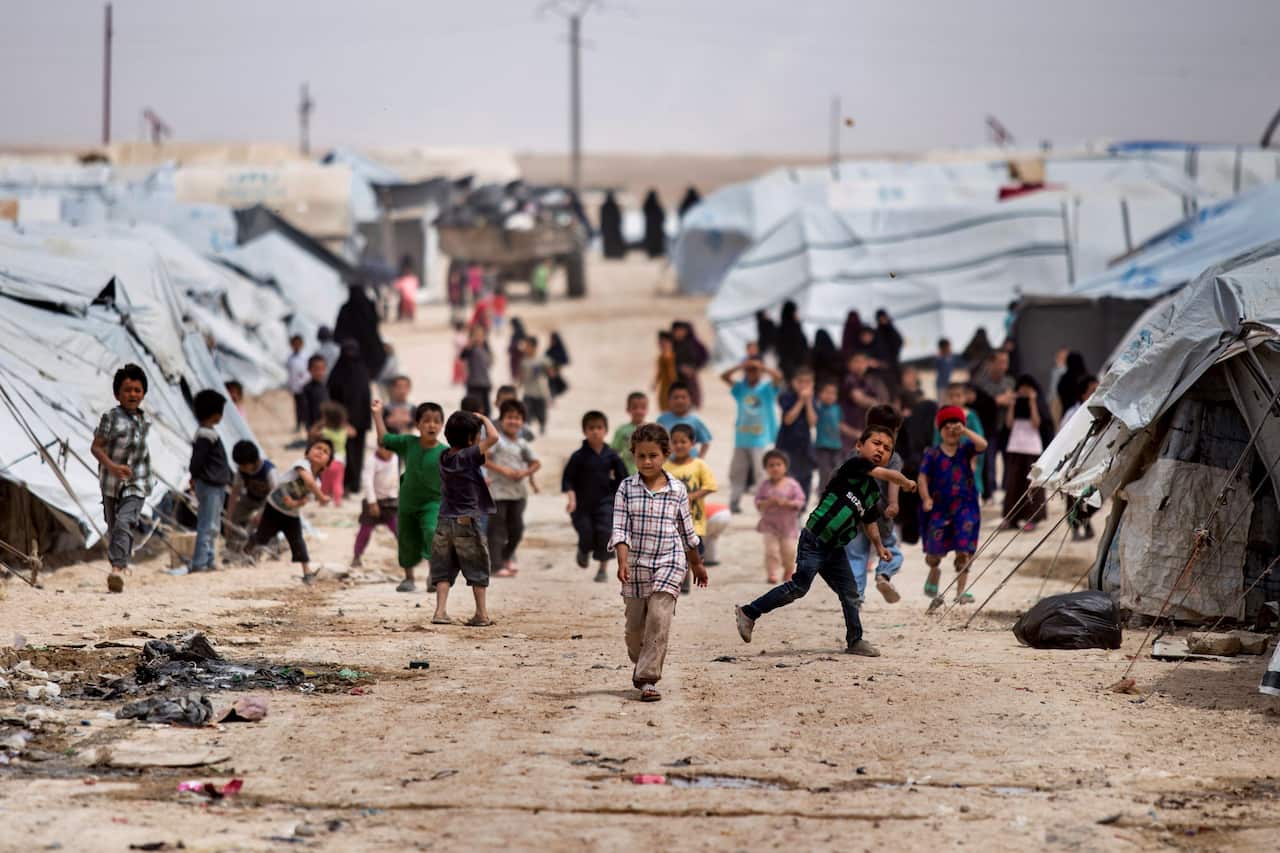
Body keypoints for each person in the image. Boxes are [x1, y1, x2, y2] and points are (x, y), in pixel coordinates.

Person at [734, 425, 916, 657]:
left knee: (850, 593)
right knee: (800, 586)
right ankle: (749, 613)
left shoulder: (871, 492)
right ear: (860, 446)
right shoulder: (854, 465)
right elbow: (887, 475)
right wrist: (905, 482)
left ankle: (855, 641)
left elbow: (869, 521)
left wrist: (879, 547)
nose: (881, 449)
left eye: (887, 448)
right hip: (815, 539)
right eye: (876, 443)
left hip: (835, 549)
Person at [609, 423, 706, 702]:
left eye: (653, 455)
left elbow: (687, 531)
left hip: (670, 560)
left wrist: (696, 564)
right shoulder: (626, 488)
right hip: (636, 565)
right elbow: (620, 528)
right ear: (633, 456)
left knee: (659, 618)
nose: (647, 461)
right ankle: (641, 661)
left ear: (665, 454)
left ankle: (648, 678)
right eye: (641, 456)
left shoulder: (677, 490)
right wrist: (622, 561)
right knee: (634, 630)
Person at [430, 410, 500, 626]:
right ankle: (481, 613)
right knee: (477, 565)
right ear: (470, 439)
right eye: (477, 435)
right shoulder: (467, 456)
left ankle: (440, 612)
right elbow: (494, 438)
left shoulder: (444, 456)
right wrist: (484, 418)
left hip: (444, 520)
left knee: (443, 567)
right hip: (467, 521)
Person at [91, 364, 154, 593]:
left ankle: (117, 569)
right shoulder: (110, 418)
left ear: (143, 394)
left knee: (124, 521)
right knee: (113, 525)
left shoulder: (144, 420)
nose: (133, 395)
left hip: (138, 481)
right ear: (117, 394)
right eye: (128, 390)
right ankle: (119, 561)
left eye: (137, 390)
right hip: (111, 482)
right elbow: (96, 448)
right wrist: (113, 467)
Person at [374, 400, 445, 593]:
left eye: (436, 421)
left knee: (431, 533)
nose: (431, 425)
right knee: (406, 539)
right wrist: (377, 415)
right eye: (426, 421)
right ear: (417, 424)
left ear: (441, 425)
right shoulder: (408, 443)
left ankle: (433, 576)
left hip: (433, 503)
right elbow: (384, 440)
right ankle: (409, 578)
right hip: (407, 503)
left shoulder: (444, 453)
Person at [919, 406, 989, 603]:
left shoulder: (966, 450)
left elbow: (983, 445)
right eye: (946, 427)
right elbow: (923, 477)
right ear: (939, 430)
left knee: (964, 549)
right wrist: (926, 498)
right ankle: (934, 571)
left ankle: (960, 592)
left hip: (965, 506)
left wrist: (964, 430)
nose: (951, 431)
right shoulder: (932, 454)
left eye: (955, 427)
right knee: (934, 554)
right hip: (939, 509)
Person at [249, 438, 333, 584]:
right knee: (263, 536)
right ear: (307, 453)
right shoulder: (301, 464)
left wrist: (295, 503)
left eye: (325, 452)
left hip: (291, 514)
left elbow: (306, 499)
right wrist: (322, 497)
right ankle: (245, 550)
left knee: (298, 541)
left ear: (326, 465)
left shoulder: (318, 483)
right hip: (274, 506)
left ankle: (307, 572)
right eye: (318, 447)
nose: (320, 451)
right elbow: (308, 481)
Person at [845, 405, 906, 604]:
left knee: (856, 557)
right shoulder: (893, 457)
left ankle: (856, 598)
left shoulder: (856, 452)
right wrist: (894, 504)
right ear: (893, 431)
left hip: (854, 516)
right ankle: (884, 575)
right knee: (892, 551)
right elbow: (894, 482)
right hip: (880, 517)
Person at [563, 411, 630, 582]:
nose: (595, 431)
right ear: (585, 431)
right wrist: (572, 499)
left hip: (605, 503)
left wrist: (619, 498)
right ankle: (583, 549)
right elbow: (568, 480)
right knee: (586, 532)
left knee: (606, 533)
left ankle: (602, 569)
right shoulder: (578, 456)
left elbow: (624, 479)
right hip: (582, 504)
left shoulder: (612, 456)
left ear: (605, 430)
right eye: (591, 428)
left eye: (599, 428)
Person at [485, 400, 541, 578]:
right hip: (497, 493)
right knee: (496, 529)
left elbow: (536, 463)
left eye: (517, 418)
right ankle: (496, 565)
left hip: (518, 494)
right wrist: (503, 471)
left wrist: (525, 472)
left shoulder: (523, 444)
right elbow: (484, 459)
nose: (513, 421)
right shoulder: (497, 441)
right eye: (509, 417)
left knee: (517, 529)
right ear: (501, 420)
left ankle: (505, 556)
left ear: (522, 421)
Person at [663, 423, 717, 595]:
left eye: (683, 442)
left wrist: (691, 496)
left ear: (692, 443)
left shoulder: (699, 465)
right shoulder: (666, 467)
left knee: (695, 550)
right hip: (671, 521)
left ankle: (691, 570)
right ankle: (682, 579)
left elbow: (710, 486)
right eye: (675, 442)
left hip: (696, 521)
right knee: (677, 551)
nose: (679, 445)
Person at [188, 390, 232, 575]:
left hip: (215, 485)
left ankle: (209, 560)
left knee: (212, 525)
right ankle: (200, 563)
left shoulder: (208, 433)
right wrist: (195, 477)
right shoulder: (206, 434)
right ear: (215, 413)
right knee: (207, 525)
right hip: (210, 485)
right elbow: (197, 461)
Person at [1003, 375, 1049, 530]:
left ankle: (1032, 518)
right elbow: (1008, 424)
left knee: (1032, 484)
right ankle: (1011, 518)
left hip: (1032, 448)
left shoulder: (1037, 403)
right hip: (1015, 446)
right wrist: (1012, 404)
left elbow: (1037, 422)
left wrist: (1032, 401)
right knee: (1013, 483)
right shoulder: (1016, 404)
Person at [326, 341, 373, 496]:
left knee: (357, 454)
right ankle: (344, 484)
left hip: (360, 422)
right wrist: (342, 421)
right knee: (343, 453)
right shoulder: (337, 374)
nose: (350, 355)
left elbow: (365, 397)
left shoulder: (362, 371)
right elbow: (332, 399)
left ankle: (355, 484)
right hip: (340, 422)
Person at [755, 449, 805, 583]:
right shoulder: (764, 485)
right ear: (766, 468)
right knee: (771, 551)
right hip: (769, 526)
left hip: (788, 527)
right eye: (771, 465)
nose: (775, 468)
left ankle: (789, 570)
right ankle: (772, 573)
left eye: (778, 464)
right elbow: (758, 503)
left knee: (789, 552)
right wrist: (767, 502)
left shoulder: (792, 484)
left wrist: (788, 503)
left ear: (785, 467)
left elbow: (800, 501)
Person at [971, 351, 1016, 500]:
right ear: (991, 363)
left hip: (1006, 428)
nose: (1004, 365)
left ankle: (1004, 492)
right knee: (988, 462)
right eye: (1001, 361)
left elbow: (1011, 401)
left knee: (1008, 463)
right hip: (988, 429)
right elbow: (981, 403)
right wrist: (997, 400)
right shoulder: (981, 383)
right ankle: (989, 492)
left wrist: (1002, 400)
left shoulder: (1009, 382)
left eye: (1006, 361)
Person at [352, 439, 399, 568]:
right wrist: (372, 503)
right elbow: (367, 482)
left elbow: (396, 476)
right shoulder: (371, 461)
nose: (387, 451)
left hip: (390, 501)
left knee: (398, 529)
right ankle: (357, 555)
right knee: (365, 531)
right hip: (373, 501)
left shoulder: (395, 457)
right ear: (378, 447)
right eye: (384, 448)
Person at [225, 441, 275, 563]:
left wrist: (262, 512)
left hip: (269, 501)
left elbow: (275, 495)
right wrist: (229, 517)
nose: (241, 468)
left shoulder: (269, 471)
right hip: (250, 498)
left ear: (254, 461)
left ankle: (266, 549)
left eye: (243, 465)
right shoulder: (241, 471)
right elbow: (234, 494)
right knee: (236, 517)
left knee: (262, 521)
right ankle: (232, 550)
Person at [776, 367, 817, 501]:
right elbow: (788, 419)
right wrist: (800, 401)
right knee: (787, 478)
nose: (804, 385)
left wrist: (808, 402)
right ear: (794, 382)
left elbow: (812, 422)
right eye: (801, 382)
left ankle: (801, 508)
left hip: (804, 446)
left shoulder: (813, 399)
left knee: (805, 478)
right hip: (786, 445)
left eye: (808, 382)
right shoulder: (786, 396)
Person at [334, 285, 387, 378]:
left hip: (361, 351)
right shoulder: (368, 305)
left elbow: (339, 332)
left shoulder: (347, 308)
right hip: (365, 350)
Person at [840, 352, 888, 453]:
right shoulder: (849, 379)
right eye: (856, 361)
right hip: (849, 431)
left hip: (864, 431)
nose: (860, 365)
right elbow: (859, 399)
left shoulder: (869, 381)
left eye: (863, 362)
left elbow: (884, 401)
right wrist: (876, 403)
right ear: (849, 365)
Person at [655, 382, 712, 459]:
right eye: (676, 397)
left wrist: (700, 459)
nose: (680, 401)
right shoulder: (662, 420)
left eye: (683, 397)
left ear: (690, 399)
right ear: (669, 400)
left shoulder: (695, 421)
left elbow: (705, 442)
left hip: (690, 463)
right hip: (668, 464)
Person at [313, 401, 354, 506]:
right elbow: (353, 432)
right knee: (337, 482)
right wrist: (344, 422)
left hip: (326, 461)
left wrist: (320, 423)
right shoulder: (343, 431)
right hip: (340, 462)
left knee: (325, 482)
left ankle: (323, 500)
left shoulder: (325, 432)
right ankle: (337, 501)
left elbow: (313, 433)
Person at [517, 336, 553, 435]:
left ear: (534, 347)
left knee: (541, 414)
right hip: (528, 392)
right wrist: (517, 387)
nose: (525, 348)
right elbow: (521, 376)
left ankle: (542, 428)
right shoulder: (524, 361)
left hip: (540, 392)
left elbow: (551, 374)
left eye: (527, 346)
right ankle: (526, 431)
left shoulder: (543, 360)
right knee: (526, 413)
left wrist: (546, 369)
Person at [671, 321, 709, 408]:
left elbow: (704, 356)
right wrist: (679, 368)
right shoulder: (671, 345)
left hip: (690, 376)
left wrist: (694, 368)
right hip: (674, 376)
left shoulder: (693, 343)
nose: (679, 333)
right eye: (677, 331)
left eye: (681, 330)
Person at [813, 380, 844, 492]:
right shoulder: (818, 407)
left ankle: (834, 493)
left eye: (833, 393)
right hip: (822, 446)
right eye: (827, 392)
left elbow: (840, 425)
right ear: (820, 394)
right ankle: (822, 493)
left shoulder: (837, 408)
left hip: (837, 446)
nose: (830, 396)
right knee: (824, 471)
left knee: (838, 470)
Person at [610, 391, 649, 474]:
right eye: (635, 407)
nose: (639, 411)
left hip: (646, 473)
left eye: (642, 407)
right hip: (626, 473)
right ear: (628, 409)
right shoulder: (622, 430)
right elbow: (614, 451)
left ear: (647, 409)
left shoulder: (651, 430)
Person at [460, 324, 493, 417]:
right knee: (472, 409)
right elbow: (462, 355)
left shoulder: (485, 348)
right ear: (471, 337)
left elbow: (490, 362)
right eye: (476, 335)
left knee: (487, 410)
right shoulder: (470, 349)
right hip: (473, 384)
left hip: (485, 383)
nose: (479, 338)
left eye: (481, 335)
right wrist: (470, 344)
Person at [776, 301, 810, 380]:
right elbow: (802, 346)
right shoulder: (795, 328)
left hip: (786, 366)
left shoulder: (780, 329)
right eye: (796, 312)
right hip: (796, 366)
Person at [299, 355, 329, 433]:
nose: (320, 372)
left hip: (328, 427)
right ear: (309, 370)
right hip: (314, 428)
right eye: (316, 369)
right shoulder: (307, 389)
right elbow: (305, 410)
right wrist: (310, 428)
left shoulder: (327, 387)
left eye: (322, 369)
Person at [286, 334, 309, 432]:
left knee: (306, 406)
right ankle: (298, 424)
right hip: (295, 386)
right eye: (294, 344)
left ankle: (307, 423)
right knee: (298, 406)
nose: (296, 346)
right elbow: (290, 372)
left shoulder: (305, 356)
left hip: (304, 385)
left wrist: (305, 381)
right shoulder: (290, 358)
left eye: (298, 344)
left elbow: (307, 371)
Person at [653, 331, 678, 412]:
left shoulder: (671, 356)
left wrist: (675, 385)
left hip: (670, 387)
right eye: (660, 342)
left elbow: (672, 373)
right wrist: (655, 383)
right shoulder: (662, 356)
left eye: (664, 342)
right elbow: (660, 372)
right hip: (664, 387)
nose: (662, 345)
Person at [599, 190, 626, 259]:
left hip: (610, 229)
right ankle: (611, 254)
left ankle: (613, 254)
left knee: (612, 242)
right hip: (612, 228)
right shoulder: (612, 206)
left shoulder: (605, 207)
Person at [641, 190, 666, 258]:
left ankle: (654, 253)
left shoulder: (647, 205)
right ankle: (655, 253)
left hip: (650, 228)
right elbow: (662, 216)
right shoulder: (656, 206)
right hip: (655, 228)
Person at [394, 255, 419, 322]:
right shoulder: (408, 279)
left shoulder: (410, 279)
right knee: (402, 302)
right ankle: (403, 315)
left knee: (404, 303)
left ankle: (406, 316)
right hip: (407, 298)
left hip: (408, 298)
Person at [508, 317, 528, 382]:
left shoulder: (518, 332)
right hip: (518, 357)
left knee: (518, 374)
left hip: (517, 357)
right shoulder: (521, 331)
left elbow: (521, 346)